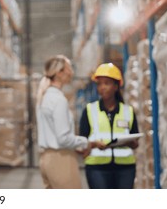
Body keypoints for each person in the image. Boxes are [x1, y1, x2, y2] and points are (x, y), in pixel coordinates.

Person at [35, 55, 105, 189]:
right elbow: (63, 138)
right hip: (61, 160)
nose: (72, 72)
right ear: (59, 73)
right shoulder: (58, 100)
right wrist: (88, 143)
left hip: (45, 160)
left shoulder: (44, 96)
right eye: (69, 68)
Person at [79, 63, 140, 189]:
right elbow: (82, 140)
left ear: (116, 86)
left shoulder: (128, 111)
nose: (102, 87)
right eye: (99, 84)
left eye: (107, 83)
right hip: (97, 167)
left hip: (125, 168)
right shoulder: (90, 110)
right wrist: (95, 144)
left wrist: (130, 142)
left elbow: (135, 141)